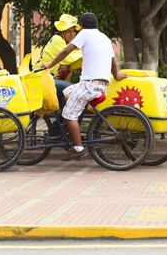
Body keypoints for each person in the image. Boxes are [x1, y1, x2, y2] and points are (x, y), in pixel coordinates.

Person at [42, 12, 127, 161]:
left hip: (89, 84)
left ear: (81, 26)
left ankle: (78, 148)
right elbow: (113, 61)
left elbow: (66, 50)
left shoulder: (85, 34)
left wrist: (50, 64)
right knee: (67, 92)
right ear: (97, 25)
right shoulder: (104, 38)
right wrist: (117, 75)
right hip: (101, 85)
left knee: (68, 115)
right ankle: (70, 130)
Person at [37, 14, 82, 112]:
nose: (72, 34)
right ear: (62, 32)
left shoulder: (62, 42)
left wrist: (64, 63)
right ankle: (63, 124)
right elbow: (68, 58)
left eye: (73, 31)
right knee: (73, 91)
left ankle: (61, 124)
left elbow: (65, 58)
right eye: (68, 31)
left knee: (66, 97)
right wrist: (84, 52)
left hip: (48, 78)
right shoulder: (58, 40)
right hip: (44, 79)